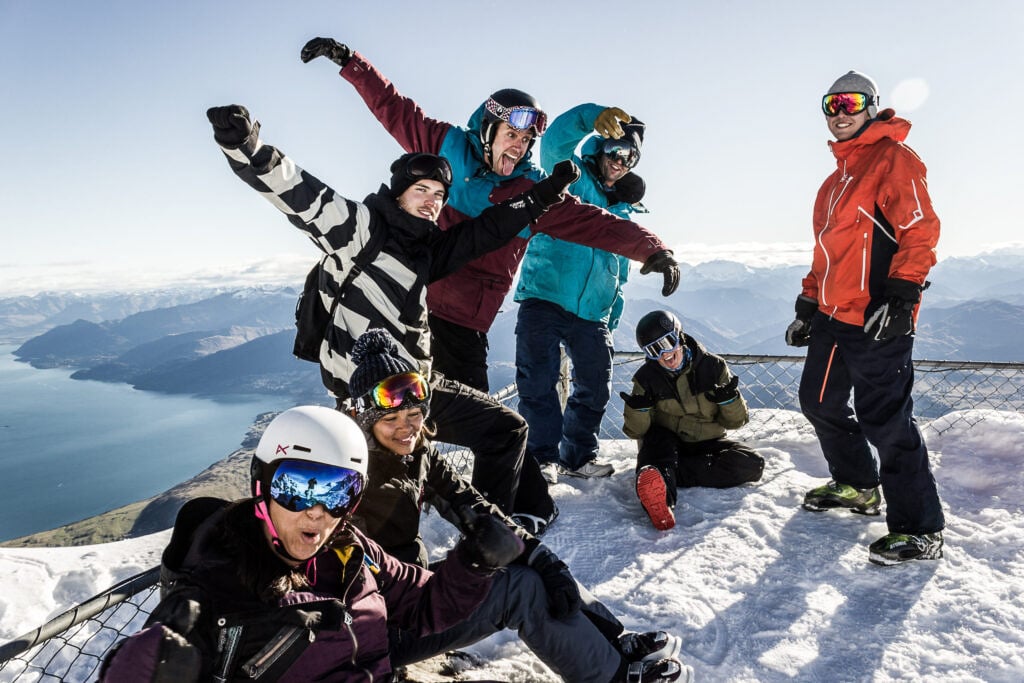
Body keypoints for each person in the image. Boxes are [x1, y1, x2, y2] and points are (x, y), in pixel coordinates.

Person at [206, 105, 576, 532]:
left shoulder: (426, 251)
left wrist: (544, 193)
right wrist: (245, 146)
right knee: (391, 515)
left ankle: (489, 537)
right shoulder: (360, 230)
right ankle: (384, 573)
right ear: (399, 191)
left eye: (439, 196)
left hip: (417, 387)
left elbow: (488, 230)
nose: (432, 202)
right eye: (422, 190)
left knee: (506, 429)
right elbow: (300, 194)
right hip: (370, 404)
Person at [299, 37, 681, 395]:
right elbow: (393, 108)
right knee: (392, 404)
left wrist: (652, 250)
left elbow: (593, 223)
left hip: (464, 323)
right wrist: (351, 62)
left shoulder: (533, 190)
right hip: (409, 303)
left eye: (527, 140)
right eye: (512, 135)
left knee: (486, 426)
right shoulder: (446, 144)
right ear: (487, 129)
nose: (519, 147)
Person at [344, 328, 691, 683]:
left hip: (410, 589)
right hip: (382, 626)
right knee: (518, 588)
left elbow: (473, 507)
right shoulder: (351, 482)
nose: (407, 428)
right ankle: (611, 676)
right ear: (365, 421)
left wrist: (540, 557)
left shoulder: (415, 454)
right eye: (391, 420)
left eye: (414, 414)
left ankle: (611, 640)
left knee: (530, 561)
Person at [100, 405, 524, 681]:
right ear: (262, 486)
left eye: (338, 492)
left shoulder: (351, 551)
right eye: (297, 487)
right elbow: (151, 660)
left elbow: (423, 604)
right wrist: (144, 661)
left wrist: (474, 563)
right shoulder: (216, 586)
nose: (317, 511)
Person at [783, 70, 945, 565]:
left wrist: (901, 296)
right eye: (831, 105)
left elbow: (920, 231)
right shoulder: (834, 182)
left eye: (850, 102)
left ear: (872, 105)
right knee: (818, 401)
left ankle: (920, 530)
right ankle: (857, 484)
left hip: (878, 318)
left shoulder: (894, 159)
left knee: (887, 421)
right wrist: (809, 302)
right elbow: (825, 253)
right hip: (834, 317)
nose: (840, 113)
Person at [515, 104, 649, 482]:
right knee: (538, 382)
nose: (622, 162)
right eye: (617, 152)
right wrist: (591, 116)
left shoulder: (622, 211)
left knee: (595, 384)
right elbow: (555, 143)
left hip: (592, 313)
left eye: (631, 157)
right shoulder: (573, 179)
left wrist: (612, 314)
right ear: (600, 149)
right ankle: (543, 458)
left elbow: (619, 271)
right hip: (545, 296)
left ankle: (577, 456)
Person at [621, 311, 765, 530]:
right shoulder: (646, 378)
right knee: (656, 441)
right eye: (654, 350)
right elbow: (635, 431)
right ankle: (661, 503)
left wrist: (730, 402)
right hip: (668, 441)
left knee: (752, 464)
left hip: (708, 441)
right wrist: (638, 410)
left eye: (667, 342)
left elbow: (735, 423)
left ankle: (664, 473)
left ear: (679, 336)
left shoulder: (713, 367)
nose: (664, 354)